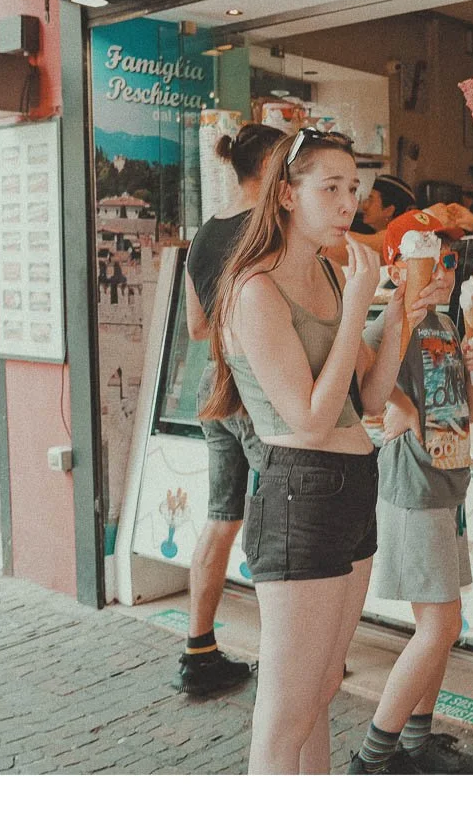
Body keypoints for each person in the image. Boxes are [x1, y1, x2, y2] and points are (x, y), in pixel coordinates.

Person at [199, 127, 437, 774]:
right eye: (330, 187)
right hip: (300, 488)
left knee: (322, 686)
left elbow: (367, 396)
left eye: (353, 189)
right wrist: (363, 301)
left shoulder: (332, 274)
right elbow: (307, 417)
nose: (347, 204)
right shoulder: (254, 288)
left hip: (351, 484)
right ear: (285, 194)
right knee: (286, 710)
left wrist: (402, 315)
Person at [349, 212, 473, 774]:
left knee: (440, 627)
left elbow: (467, 414)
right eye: (431, 258)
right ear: (399, 265)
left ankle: (415, 740)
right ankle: (374, 754)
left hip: (446, 487)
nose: (444, 271)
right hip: (413, 490)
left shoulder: (446, 326)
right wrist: (398, 409)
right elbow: (361, 384)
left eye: (451, 261)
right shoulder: (395, 322)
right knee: (440, 626)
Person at [174, 123, 284, 696]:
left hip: (215, 390)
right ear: (267, 168)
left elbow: (196, 328)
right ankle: (290, 652)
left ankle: (199, 652)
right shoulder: (269, 231)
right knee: (279, 528)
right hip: (258, 393)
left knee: (221, 521)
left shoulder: (203, 235)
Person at [351, 174, 415, 235]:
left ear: (389, 210)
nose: (364, 206)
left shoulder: (391, 239)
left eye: (371, 200)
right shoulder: (368, 230)